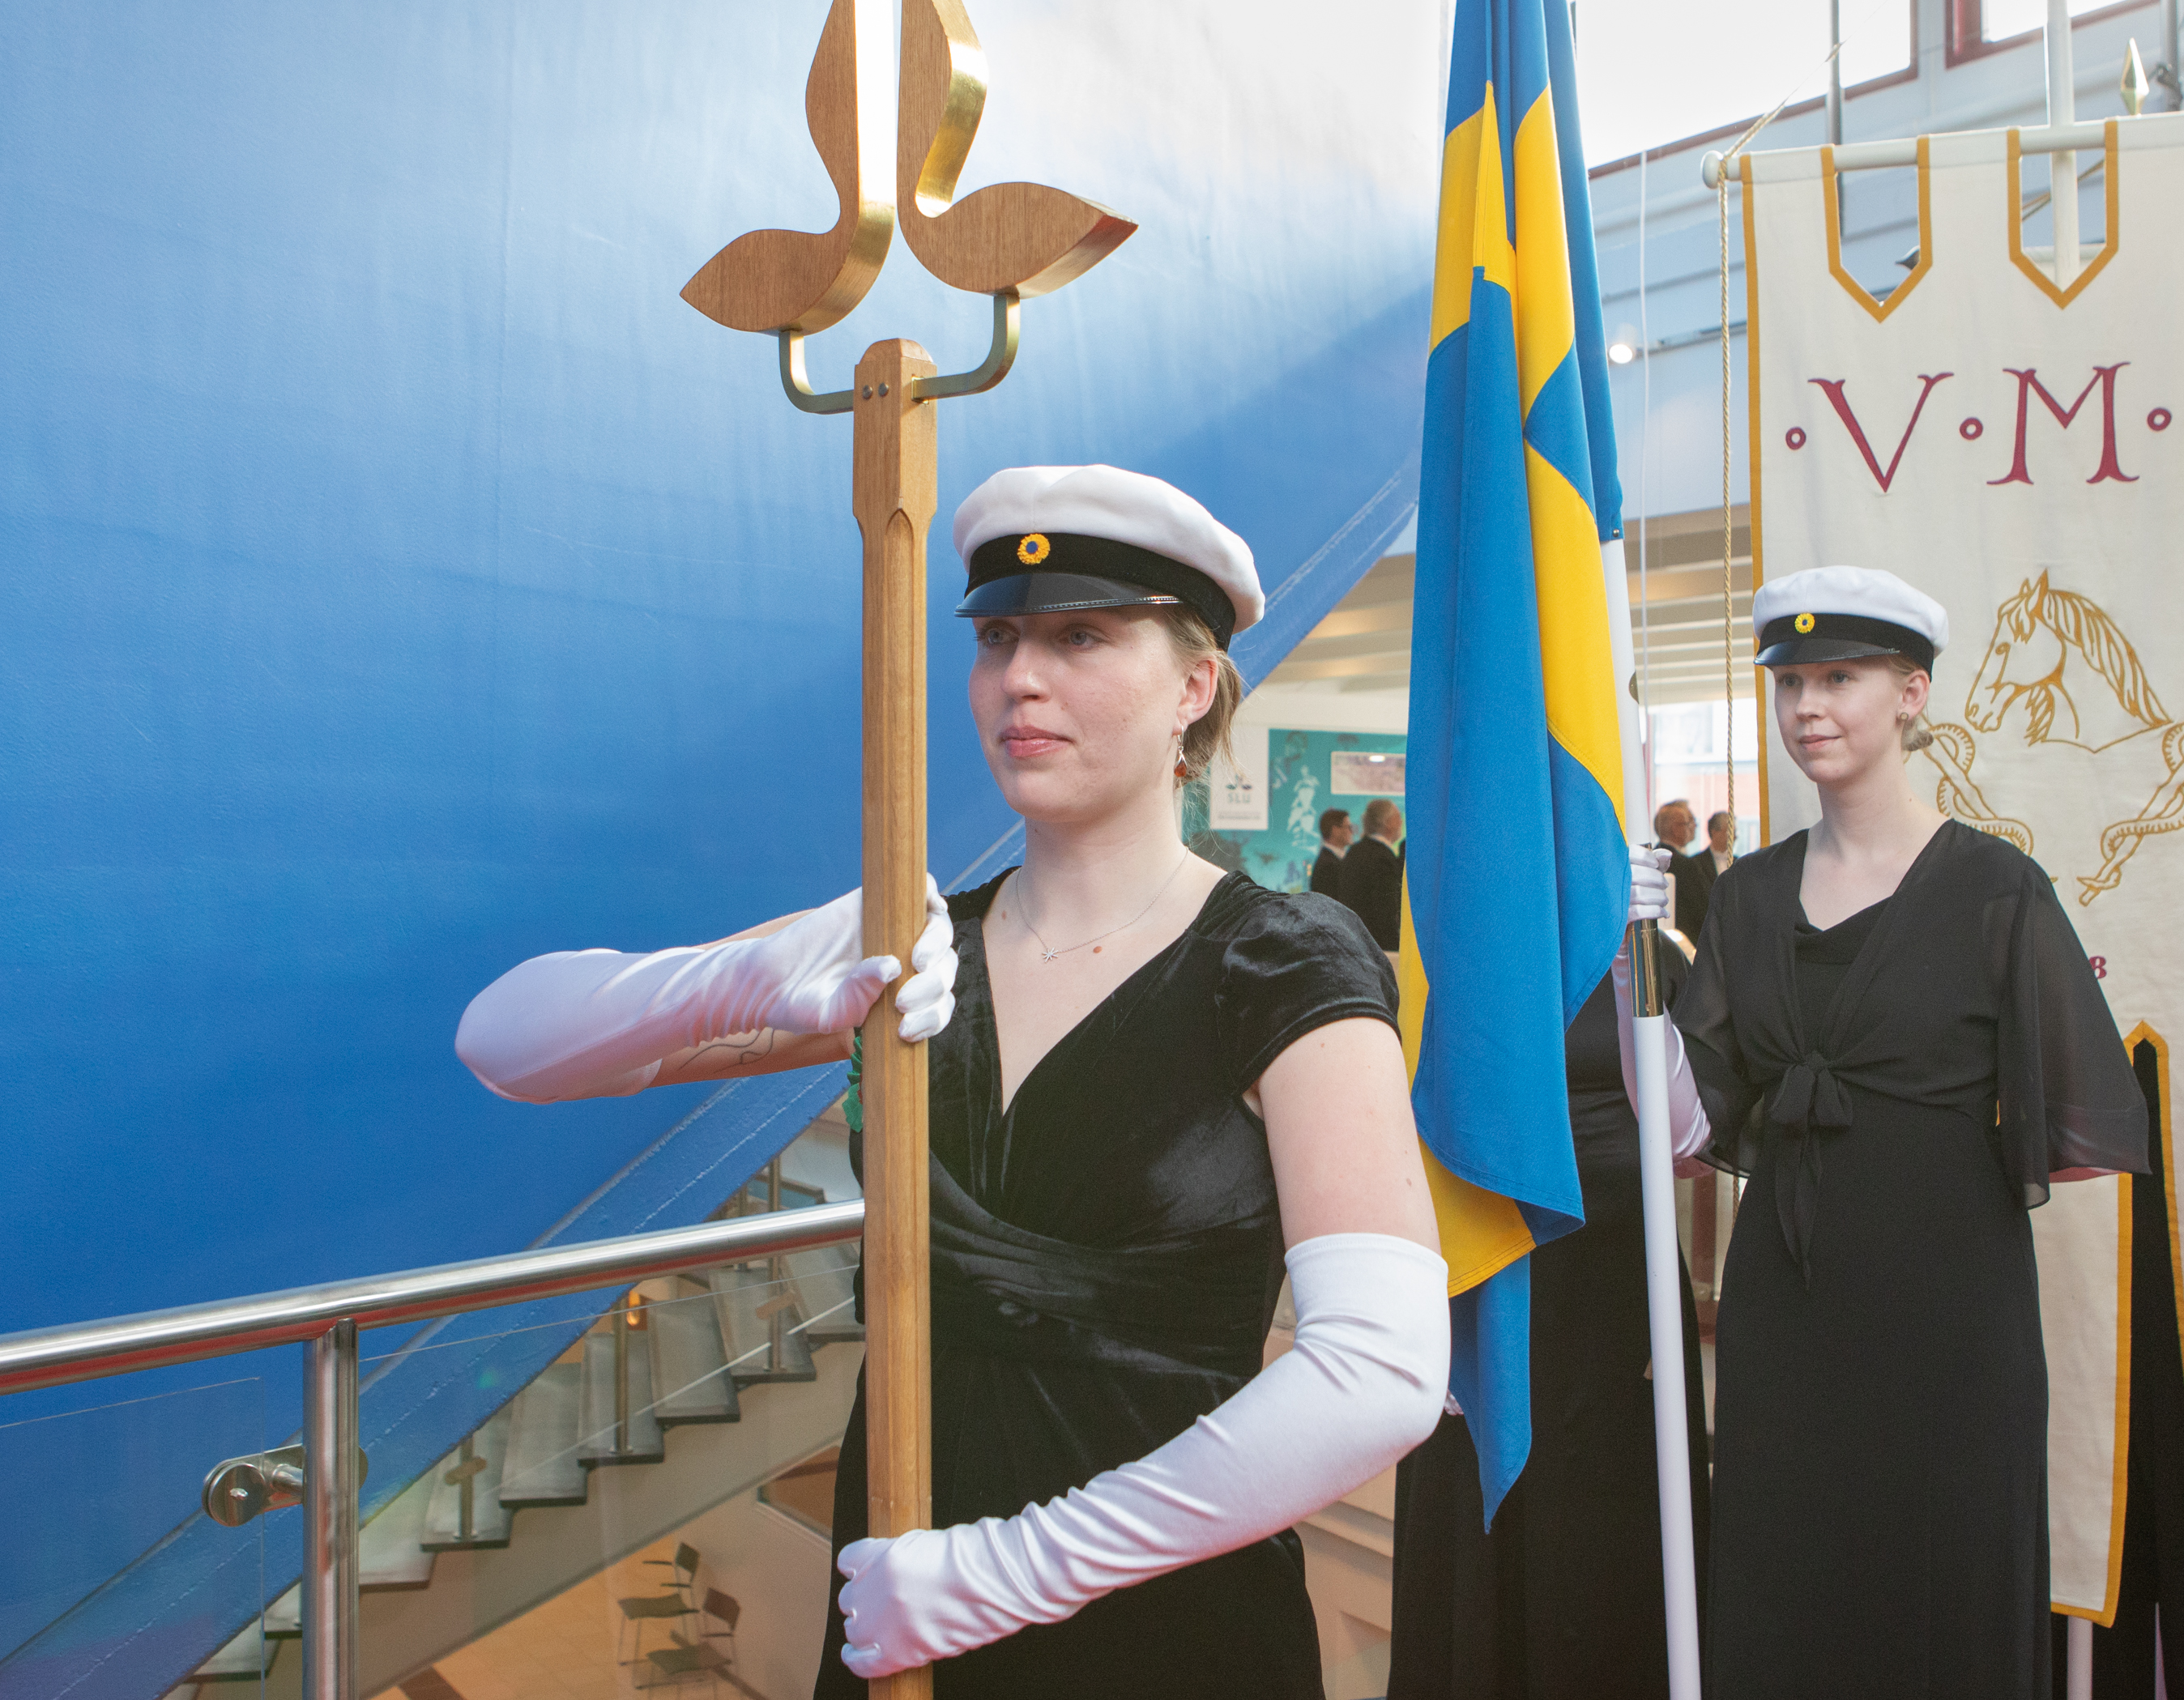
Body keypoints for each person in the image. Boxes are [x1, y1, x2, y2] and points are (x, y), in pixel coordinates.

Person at [456, 462, 1450, 1697]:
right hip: (901, 1614)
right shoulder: (918, 950)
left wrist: (1007, 1571)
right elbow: (504, 1044)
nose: (1020, 678)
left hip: (1156, 1629)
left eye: (1082, 634)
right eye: (998, 638)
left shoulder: (1278, 960)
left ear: (1196, 686)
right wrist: (747, 976)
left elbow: (1384, 1370)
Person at [1665, 565, 2149, 1700]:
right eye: (1789, 681)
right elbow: (1700, 1114)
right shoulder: (1745, 895)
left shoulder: (1998, 891)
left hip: (1947, 1303)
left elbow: (2075, 1118)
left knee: (1941, 1567)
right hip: (1787, 1294)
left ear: (1914, 692)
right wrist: (1640, 984)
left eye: (1841, 676)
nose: (1807, 706)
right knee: (1790, 1556)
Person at [1387, 912, 1714, 1698]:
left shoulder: (1645, 948)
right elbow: (1398, 1131)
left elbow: (1695, 1148)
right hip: (1483, 1267)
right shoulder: (1452, 924)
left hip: (1618, 1282)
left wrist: (1636, 966)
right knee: (1484, 1523)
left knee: (1612, 1519)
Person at [1336, 798, 1406, 954]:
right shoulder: (1382, 858)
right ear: (1387, 822)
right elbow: (1385, 913)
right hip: (1377, 949)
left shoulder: (1355, 851)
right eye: (1397, 816)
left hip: (1352, 944)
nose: (1401, 821)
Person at [1653, 798, 1717, 948]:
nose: (1694, 826)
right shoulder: (1685, 866)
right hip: (1685, 947)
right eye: (1690, 822)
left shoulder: (1651, 860)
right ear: (1676, 829)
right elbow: (1705, 911)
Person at [1308, 806, 1355, 900]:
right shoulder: (1328, 865)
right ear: (1335, 831)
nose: (1352, 832)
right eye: (1349, 827)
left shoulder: (1332, 860)